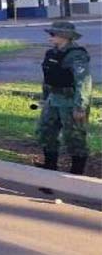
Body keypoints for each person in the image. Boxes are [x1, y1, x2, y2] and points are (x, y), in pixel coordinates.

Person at [36, 21, 92, 175]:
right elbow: (48, 77)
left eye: (53, 34)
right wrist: (45, 97)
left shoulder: (77, 54)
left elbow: (83, 80)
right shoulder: (52, 53)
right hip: (53, 99)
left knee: (75, 137)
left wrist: (80, 106)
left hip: (70, 101)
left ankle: (76, 174)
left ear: (64, 36)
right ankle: (50, 168)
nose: (50, 37)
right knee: (45, 132)